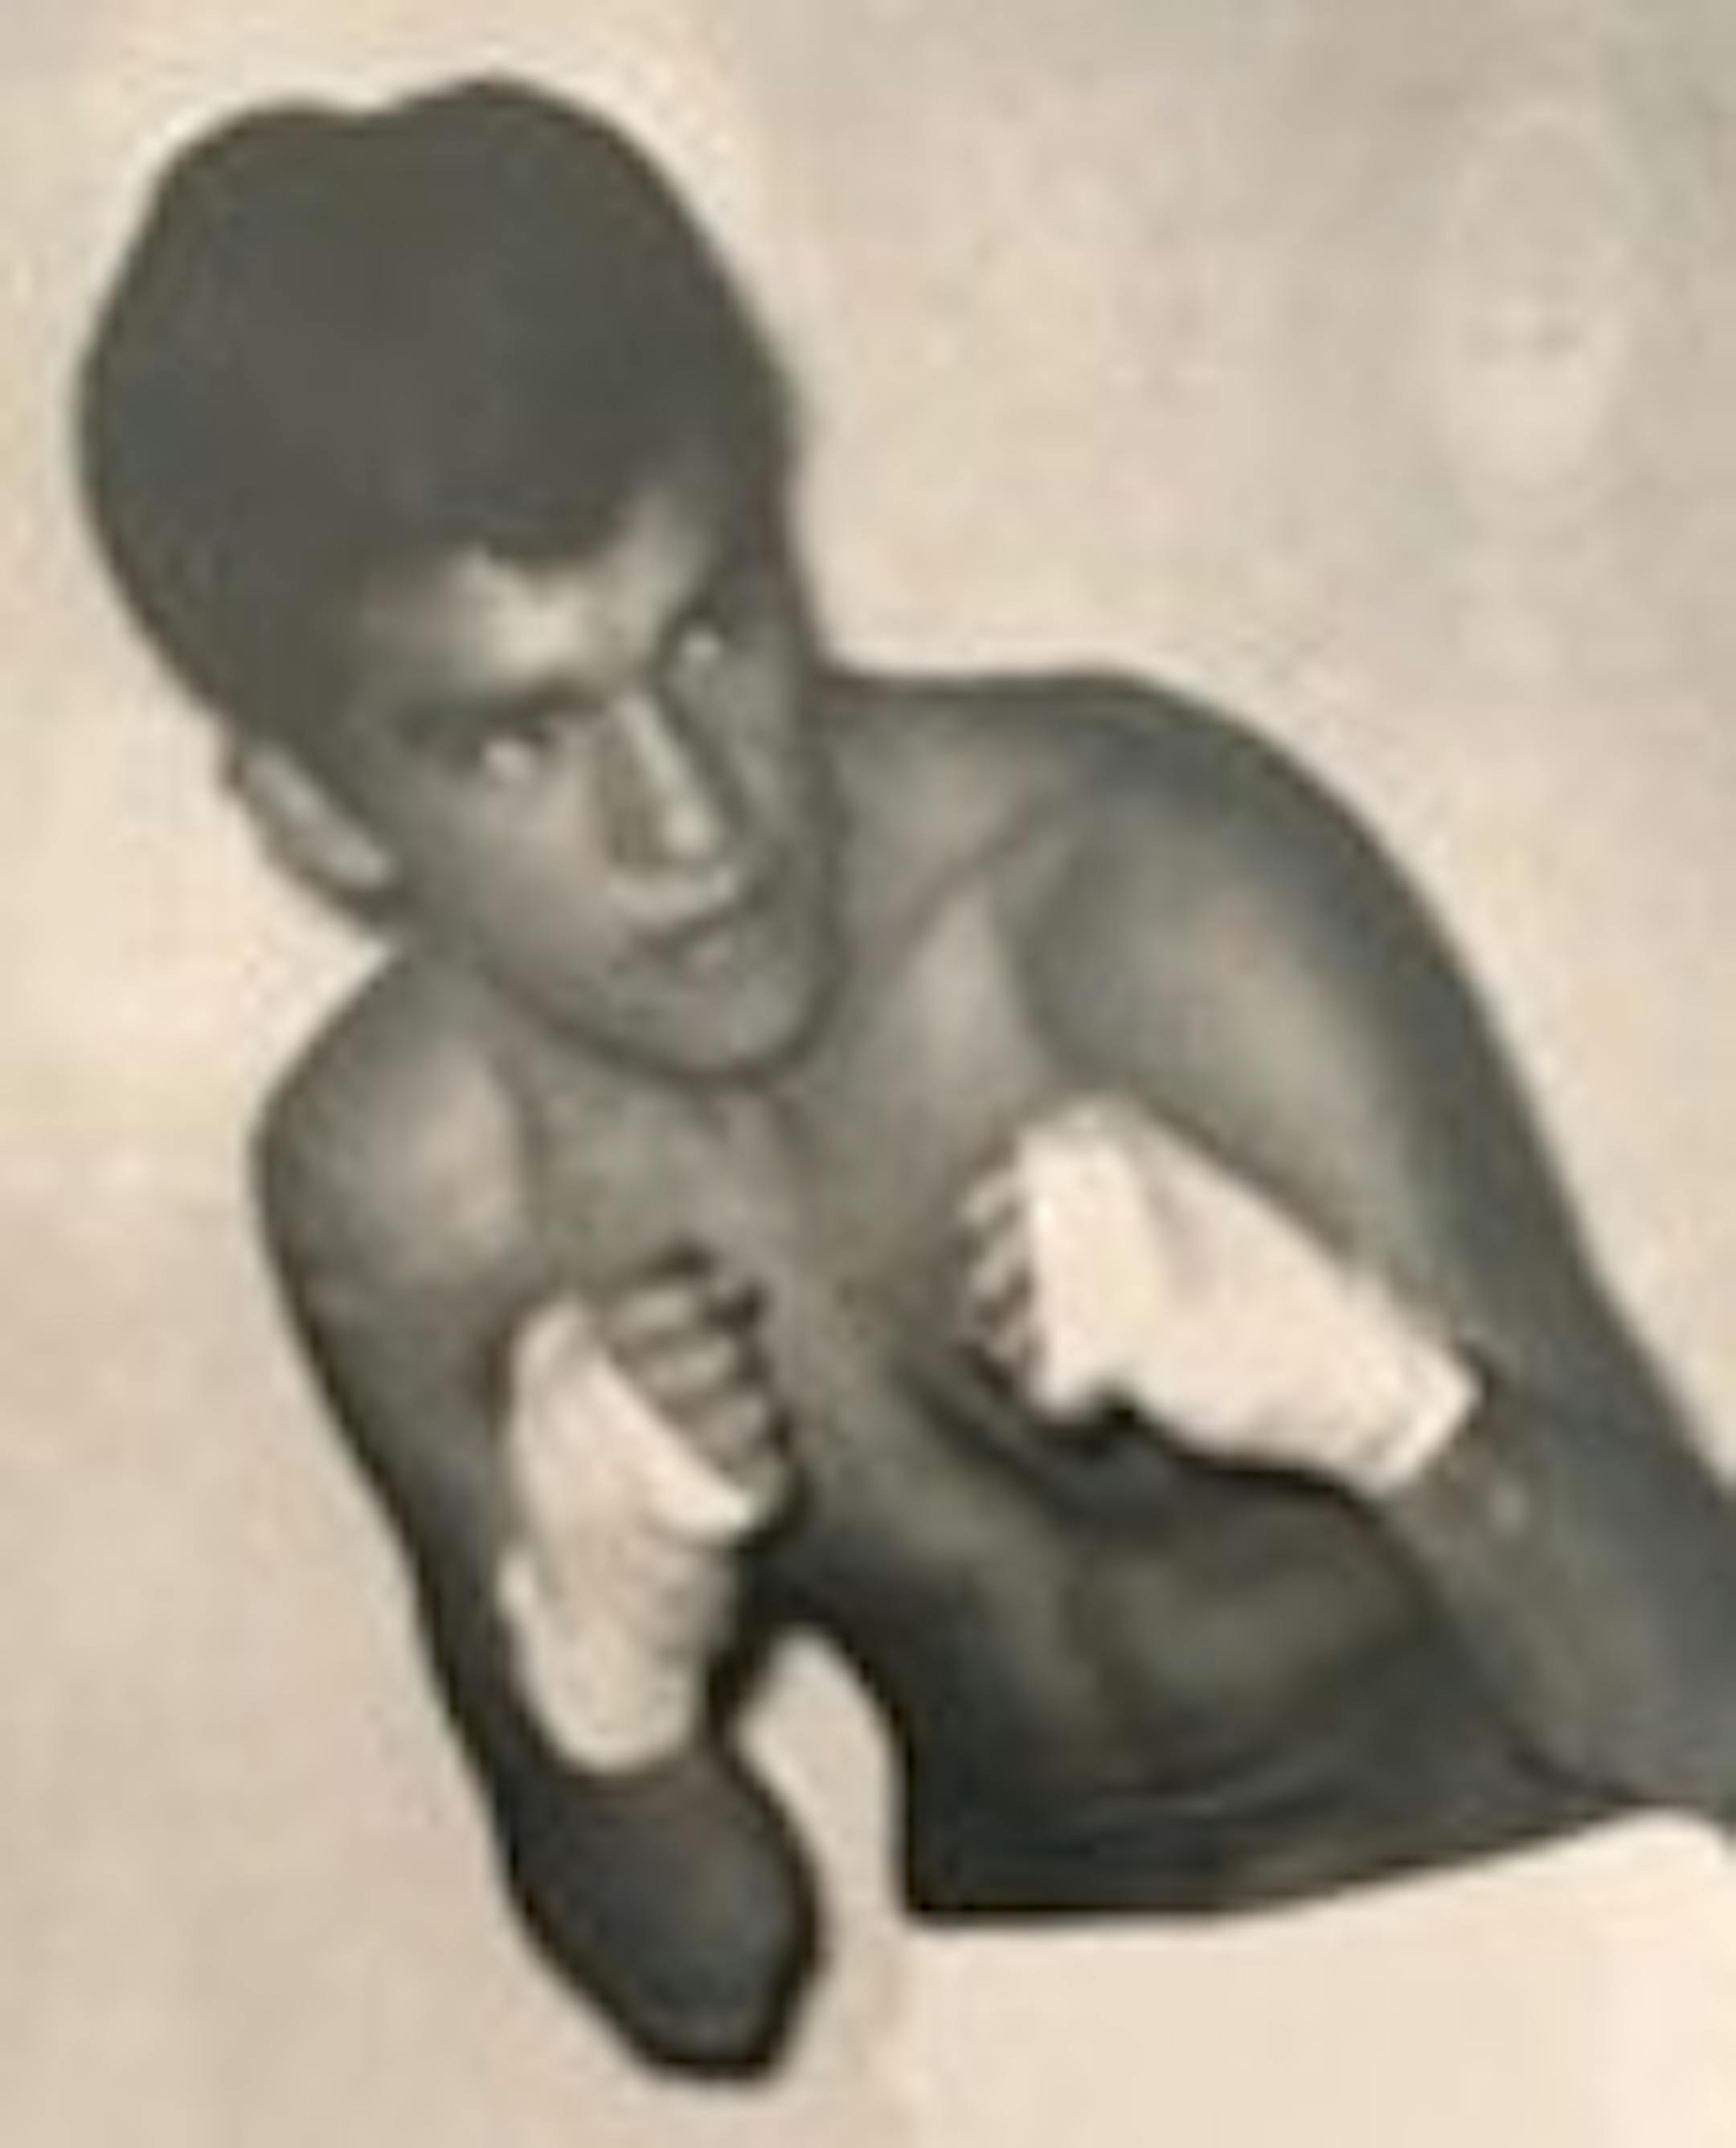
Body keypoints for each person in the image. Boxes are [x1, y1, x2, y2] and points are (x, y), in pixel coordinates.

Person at [75, 76, 1736, 2079]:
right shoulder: (408, 1198)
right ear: (318, 816)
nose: (693, 825)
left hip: (1592, 1946)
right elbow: (702, 1977)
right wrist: (601, 1650)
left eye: (710, 635)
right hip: (1050, 2046)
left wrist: (1398, 1413)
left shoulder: (1146, 898)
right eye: (521, 741)